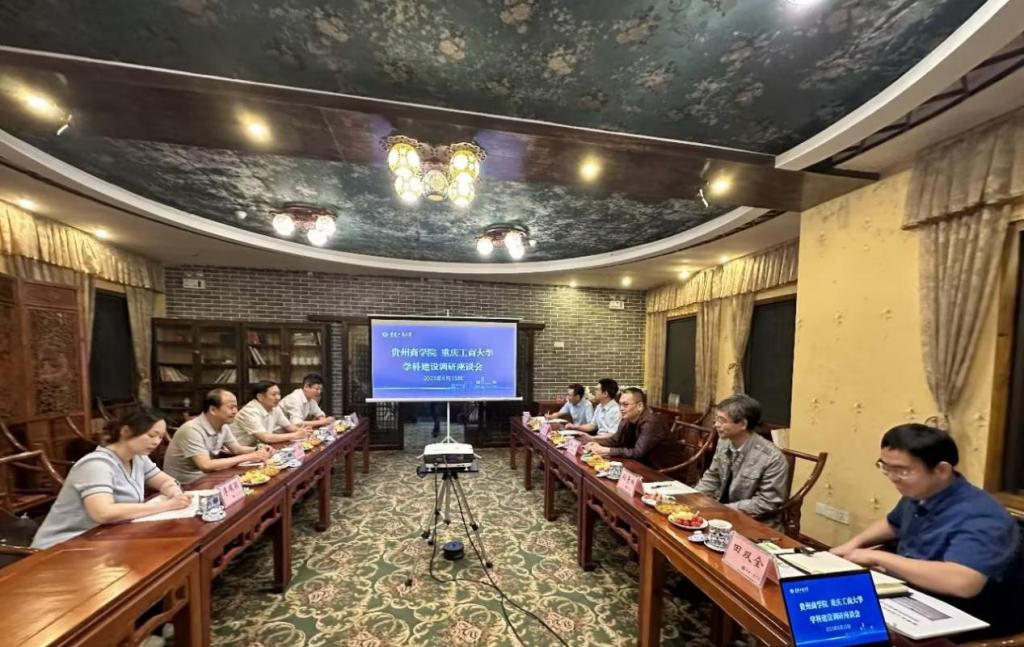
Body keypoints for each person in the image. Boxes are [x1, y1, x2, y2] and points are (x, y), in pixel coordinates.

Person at [831, 424, 1023, 635]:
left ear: (942, 470)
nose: (893, 478)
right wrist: (853, 544)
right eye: (886, 467)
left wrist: (877, 557)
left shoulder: (982, 515)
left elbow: (963, 583)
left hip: (963, 618)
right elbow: (892, 524)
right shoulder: (921, 492)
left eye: (902, 470)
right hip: (913, 596)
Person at [32, 408, 192, 549]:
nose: (156, 442)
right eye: (151, 435)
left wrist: (176, 494)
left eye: (160, 437)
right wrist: (167, 505)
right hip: (65, 544)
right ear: (126, 431)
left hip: (106, 537)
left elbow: (165, 481)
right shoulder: (96, 465)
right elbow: (103, 513)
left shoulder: (138, 458)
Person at [694, 394, 788, 527]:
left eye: (722, 420)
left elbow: (767, 503)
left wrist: (722, 509)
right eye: (716, 419)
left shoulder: (772, 457)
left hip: (755, 522)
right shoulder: (724, 442)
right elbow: (713, 476)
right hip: (721, 514)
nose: (716, 425)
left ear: (743, 424)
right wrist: (692, 498)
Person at [162, 388, 274, 484]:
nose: (235, 411)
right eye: (231, 407)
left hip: (206, 476)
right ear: (213, 410)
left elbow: (237, 449)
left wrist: (258, 449)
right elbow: (206, 465)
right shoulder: (192, 429)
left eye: (236, 407)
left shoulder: (223, 426)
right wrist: (251, 456)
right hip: (185, 483)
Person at [585, 387, 686, 470]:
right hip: (642, 464)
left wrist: (607, 450)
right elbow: (615, 440)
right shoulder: (627, 419)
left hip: (664, 471)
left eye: (625, 405)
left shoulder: (652, 422)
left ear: (640, 406)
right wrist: (595, 443)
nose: (621, 409)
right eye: (620, 404)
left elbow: (637, 452)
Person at [232, 381, 313, 446]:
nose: (278, 397)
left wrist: (303, 431)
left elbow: (289, 426)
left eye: (279, 394)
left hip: (260, 448)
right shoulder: (249, 412)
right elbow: (266, 437)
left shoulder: (274, 408)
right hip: (237, 452)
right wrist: (296, 435)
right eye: (274, 394)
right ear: (260, 397)